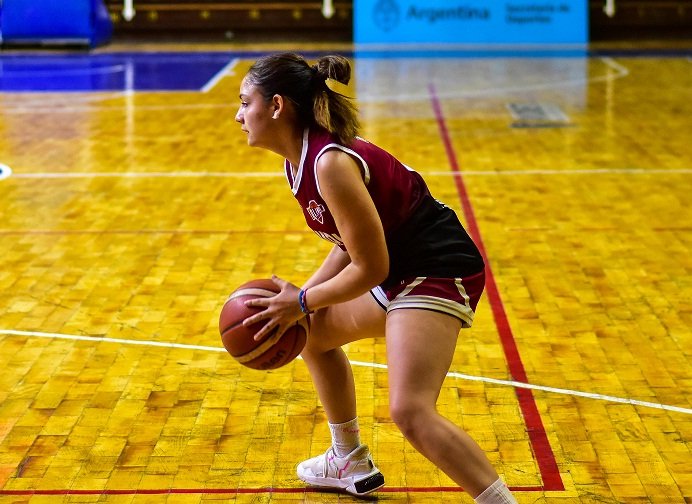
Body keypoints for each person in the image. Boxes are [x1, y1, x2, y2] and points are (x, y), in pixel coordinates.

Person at [235, 52, 517, 504]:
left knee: (409, 410)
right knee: (312, 334)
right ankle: (348, 459)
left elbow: (371, 268)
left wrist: (303, 300)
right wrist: (303, 304)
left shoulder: (329, 164)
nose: (238, 115)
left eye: (245, 102)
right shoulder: (299, 162)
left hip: (436, 268)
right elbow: (349, 244)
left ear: (277, 106)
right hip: (402, 268)